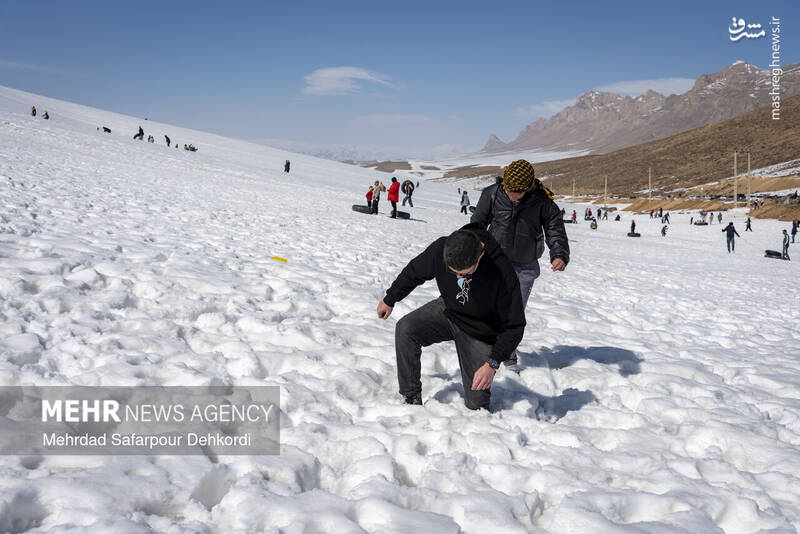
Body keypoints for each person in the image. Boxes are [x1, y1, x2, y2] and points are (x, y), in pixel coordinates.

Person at [377, 224, 526, 410]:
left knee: (477, 405)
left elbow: (514, 326)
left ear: (480, 255)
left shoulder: (502, 273)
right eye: (452, 271)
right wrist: (390, 299)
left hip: (480, 331)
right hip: (449, 311)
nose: (458, 278)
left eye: (464, 274)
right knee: (406, 328)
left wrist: (492, 363)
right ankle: (411, 398)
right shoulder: (442, 247)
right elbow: (415, 271)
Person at [470, 159, 569, 371]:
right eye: (508, 190)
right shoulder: (492, 193)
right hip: (493, 262)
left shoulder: (542, 200)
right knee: (488, 309)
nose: (511, 196)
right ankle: (481, 350)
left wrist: (559, 254)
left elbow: (555, 229)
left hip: (525, 265)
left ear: (528, 188)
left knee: (513, 313)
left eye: (517, 193)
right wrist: (473, 248)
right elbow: (477, 224)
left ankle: (508, 357)